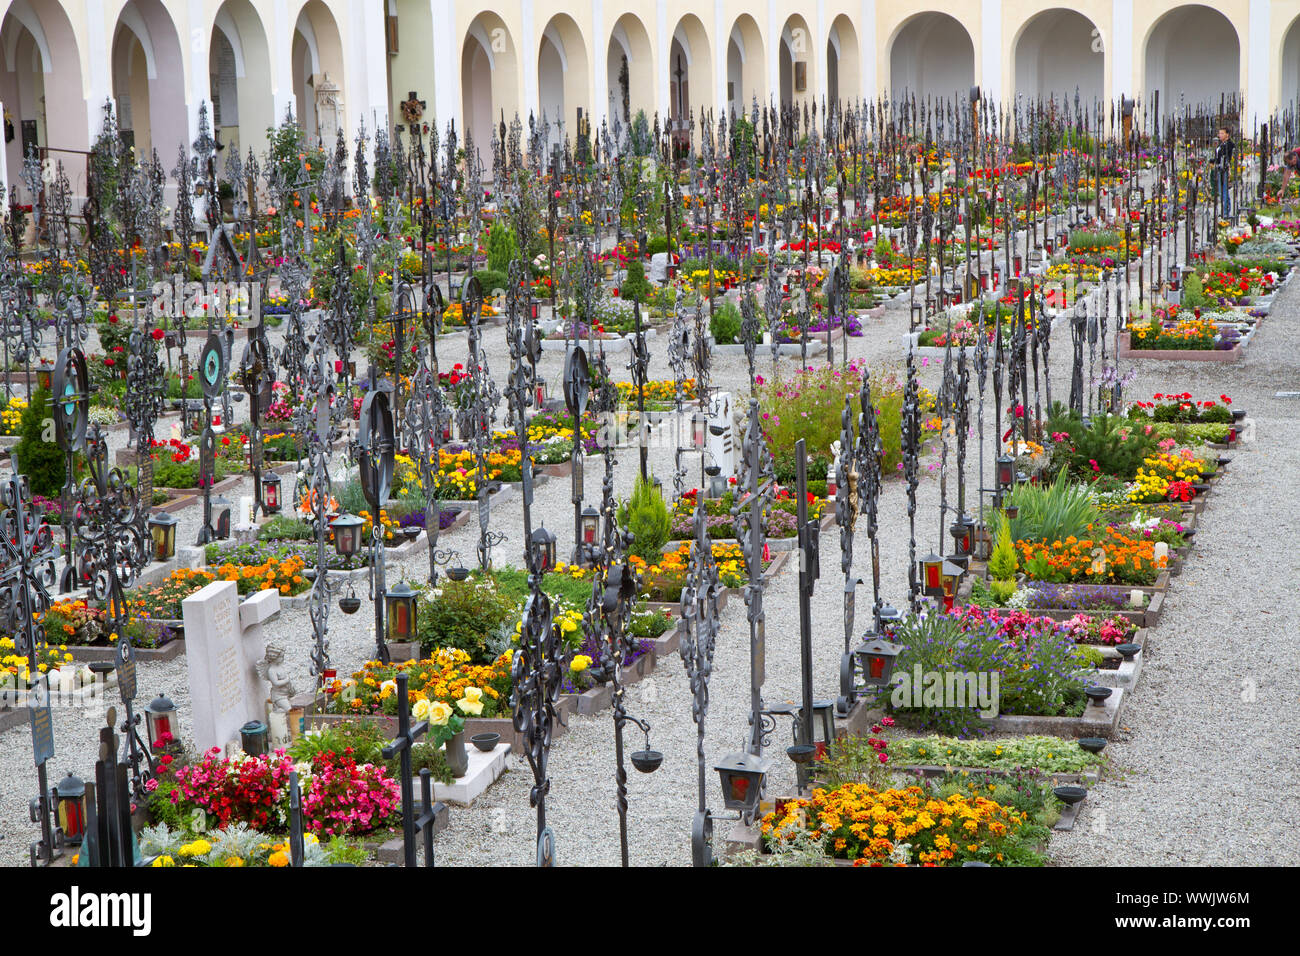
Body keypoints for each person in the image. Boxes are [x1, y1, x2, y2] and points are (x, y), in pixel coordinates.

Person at [1213, 127, 1234, 218]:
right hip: (1219, 169)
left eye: (1222, 133)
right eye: (1219, 133)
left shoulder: (1229, 145)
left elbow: (1227, 157)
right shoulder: (1222, 144)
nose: (1219, 135)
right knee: (1222, 191)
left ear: (1227, 135)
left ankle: (1226, 211)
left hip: (1224, 169)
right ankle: (1225, 209)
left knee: (1224, 190)